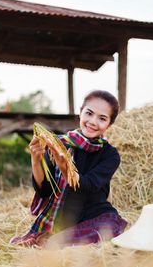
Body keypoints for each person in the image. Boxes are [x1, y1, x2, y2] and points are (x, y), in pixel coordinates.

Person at [10, 90, 127, 247]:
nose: (93, 121)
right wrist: (35, 160)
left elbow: (88, 185)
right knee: (55, 241)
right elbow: (44, 190)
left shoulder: (110, 155)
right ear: (80, 112)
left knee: (110, 225)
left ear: (109, 124)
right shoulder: (59, 144)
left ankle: (56, 240)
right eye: (89, 113)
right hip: (63, 220)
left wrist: (66, 168)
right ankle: (55, 239)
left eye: (102, 118)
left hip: (92, 217)